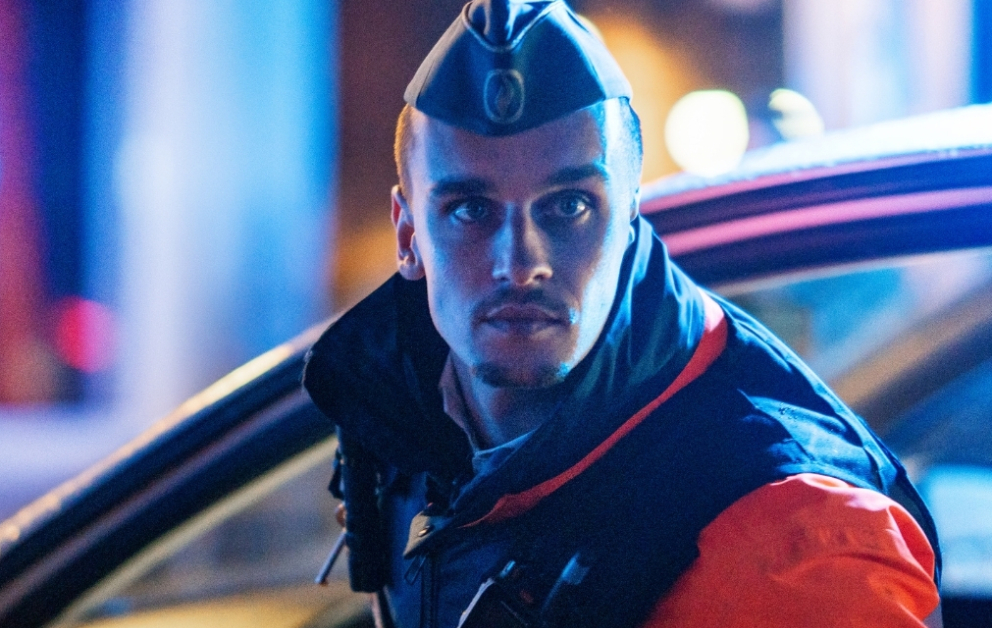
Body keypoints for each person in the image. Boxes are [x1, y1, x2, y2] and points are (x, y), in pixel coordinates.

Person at [302, 1, 942, 626]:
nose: (520, 264)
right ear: (408, 235)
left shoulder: (799, 544)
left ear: (630, 221)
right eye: (470, 210)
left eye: (569, 206)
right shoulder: (396, 412)